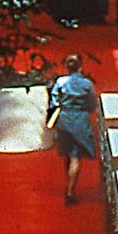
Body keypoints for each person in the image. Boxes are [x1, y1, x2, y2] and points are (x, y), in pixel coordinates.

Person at [47, 53, 96, 204]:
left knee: (68, 153)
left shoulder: (61, 82)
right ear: (80, 67)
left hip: (64, 120)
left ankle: (69, 182)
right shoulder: (87, 84)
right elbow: (91, 105)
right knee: (75, 156)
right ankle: (70, 190)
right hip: (79, 121)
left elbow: (54, 102)